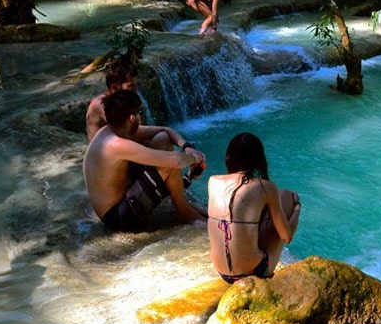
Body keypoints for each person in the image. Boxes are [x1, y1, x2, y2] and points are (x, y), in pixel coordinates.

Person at [83, 90, 207, 231]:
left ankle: (183, 205)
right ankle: (184, 211)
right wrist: (196, 158)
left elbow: (165, 130)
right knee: (168, 164)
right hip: (118, 218)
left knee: (162, 137)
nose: (139, 116)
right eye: (139, 113)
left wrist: (188, 147)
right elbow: (175, 162)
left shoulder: (110, 130)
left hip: (124, 197)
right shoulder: (117, 144)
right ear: (131, 118)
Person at [207, 132, 300, 284]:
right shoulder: (266, 187)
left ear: (228, 157)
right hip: (254, 272)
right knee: (286, 196)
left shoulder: (213, 181)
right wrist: (297, 208)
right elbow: (286, 237)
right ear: (259, 160)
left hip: (223, 273)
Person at [86, 60, 138, 141]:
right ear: (114, 87)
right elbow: (129, 133)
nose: (135, 90)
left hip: (119, 143)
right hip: (104, 151)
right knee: (160, 138)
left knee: (161, 137)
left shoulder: (122, 101)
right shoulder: (102, 104)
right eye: (130, 86)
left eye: (135, 85)